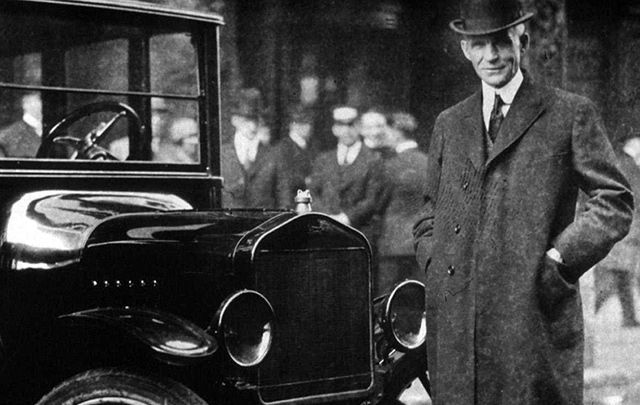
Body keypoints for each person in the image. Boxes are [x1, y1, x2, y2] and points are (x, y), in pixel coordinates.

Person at [412, 0, 633, 403]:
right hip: (459, 325)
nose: (491, 55)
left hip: (531, 319)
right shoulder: (450, 124)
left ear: (523, 40)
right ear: (465, 49)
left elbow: (614, 199)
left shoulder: (568, 113)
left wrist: (559, 260)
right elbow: (429, 213)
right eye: (479, 44)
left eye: (501, 42)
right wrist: (436, 260)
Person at [308, 105, 385, 251]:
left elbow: (372, 199)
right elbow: (313, 192)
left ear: (359, 128)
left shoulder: (373, 159)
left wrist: (346, 218)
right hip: (325, 234)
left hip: (358, 234)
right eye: (341, 125)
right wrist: (327, 219)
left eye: (352, 125)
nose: (347, 131)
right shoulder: (323, 159)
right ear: (334, 129)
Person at [376, 111, 428, 296]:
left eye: (388, 131)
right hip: (421, 242)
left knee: (387, 299)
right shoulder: (428, 162)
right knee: (417, 297)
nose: (385, 136)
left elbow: (378, 202)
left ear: (397, 133)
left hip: (392, 244)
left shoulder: (389, 165)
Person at [594, 137, 640, 327]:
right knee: (615, 275)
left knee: (620, 274)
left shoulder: (618, 162)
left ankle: (629, 317)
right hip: (627, 226)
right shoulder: (630, 167)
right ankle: (589, 312)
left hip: (614, 224)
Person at [220, 88, 291, 209]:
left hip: (266, 226)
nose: (253, 127)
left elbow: (284, 196)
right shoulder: (221, 153)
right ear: (235, 120)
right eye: (247, 120)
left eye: (256, 120)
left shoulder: (274, 155)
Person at [273, 104, 317, 207]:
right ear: (293, 125)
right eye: (303, 123)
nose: (309, 127)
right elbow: (283, 180)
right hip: (291, 202)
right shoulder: (283, 148)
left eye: (308, 123)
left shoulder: (312, 147)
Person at [0, 92, 43, 158]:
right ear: (25, 104)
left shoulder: (57, 130)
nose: (42, 104)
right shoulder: (6, 136)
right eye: (37, 100)